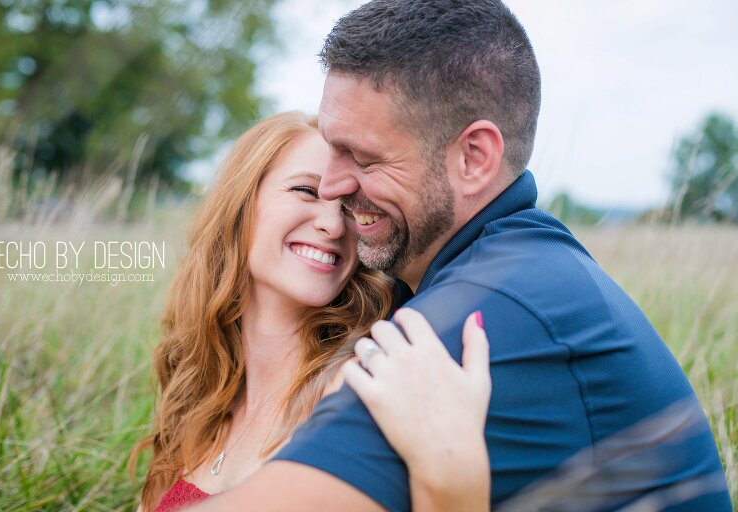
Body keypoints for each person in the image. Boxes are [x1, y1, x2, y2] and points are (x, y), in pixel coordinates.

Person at [189, 1, 732, 511]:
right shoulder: (506, 268)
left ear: (474, 157)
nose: (331, 185)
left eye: (363, 156)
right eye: (333, 147)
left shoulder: (489, 314)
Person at [131, 112, 492, 512]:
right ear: (240, 202)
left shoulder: (355, 388)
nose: (333, 226)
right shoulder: (202, 391)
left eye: (353, 209)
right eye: (306, 190)